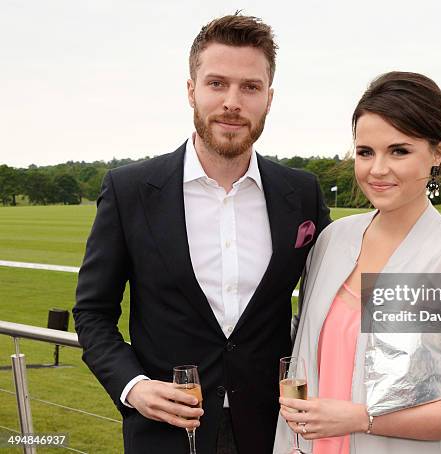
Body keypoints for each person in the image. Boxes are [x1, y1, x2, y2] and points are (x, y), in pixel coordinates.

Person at [73, 14, 330, 454]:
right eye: (217, 84)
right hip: (166, 434)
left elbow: (334, 299)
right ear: (191, 90)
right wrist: (133, 387)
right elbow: (93, 313)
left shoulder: (301, 193)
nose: (233, 102)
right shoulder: (130, 189)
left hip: (274, 431)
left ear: (269, 97)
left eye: (250, 87)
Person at [274, 72, 441, 453]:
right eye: (365, 152)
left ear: (437, 154)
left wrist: (362, 419)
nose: (377, 169)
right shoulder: (333, 240)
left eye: (398, 151)